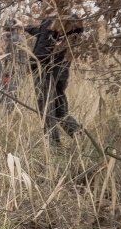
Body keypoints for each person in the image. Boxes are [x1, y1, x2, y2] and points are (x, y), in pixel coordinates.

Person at [14, 16, 83, 144]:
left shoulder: (51, 17)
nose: (42, 3)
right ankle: (79, 138)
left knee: (46, 111)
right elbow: (45, 32)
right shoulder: (68, 18)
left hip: (45, 72)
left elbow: (42, 50)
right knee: (60, 111)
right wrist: (25, 27)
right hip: (61, 72)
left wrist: (27, 67)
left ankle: (54, 148)